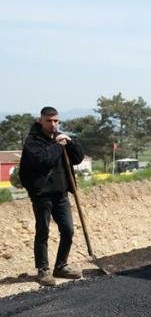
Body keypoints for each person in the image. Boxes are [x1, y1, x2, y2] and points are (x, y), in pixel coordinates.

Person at [18, 107, 85, 286]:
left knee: (68, 230)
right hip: (42, 195)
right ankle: (43, 269)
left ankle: (61, 266)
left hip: (61, 193)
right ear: (41, 121)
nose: (53, 124)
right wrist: (58, 145)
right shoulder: (33, 141)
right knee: (43, 232)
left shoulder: (61, 137)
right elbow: (43, 160)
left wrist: (69, 143)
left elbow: (78, 158)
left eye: (56, 120)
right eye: (49, 121)